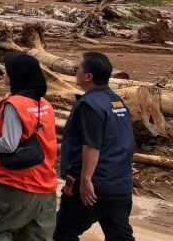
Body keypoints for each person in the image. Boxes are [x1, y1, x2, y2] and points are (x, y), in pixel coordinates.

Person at [54, 52, 136, 241]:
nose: (76, 71)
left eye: (78, 68)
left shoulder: (89, 104)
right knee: (120, 235)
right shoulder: (116, 101)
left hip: (92, 186)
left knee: (64, 231)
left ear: (88, 76)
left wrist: (85, 179)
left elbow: (92, 145)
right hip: (119, 184)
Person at [0, 53, 59, 240]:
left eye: (8, 71)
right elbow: (32, 135)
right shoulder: (43, 104)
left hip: (16, 184)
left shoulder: (14, 104)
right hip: (45, 186)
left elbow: (8, 145)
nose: (4, 73)